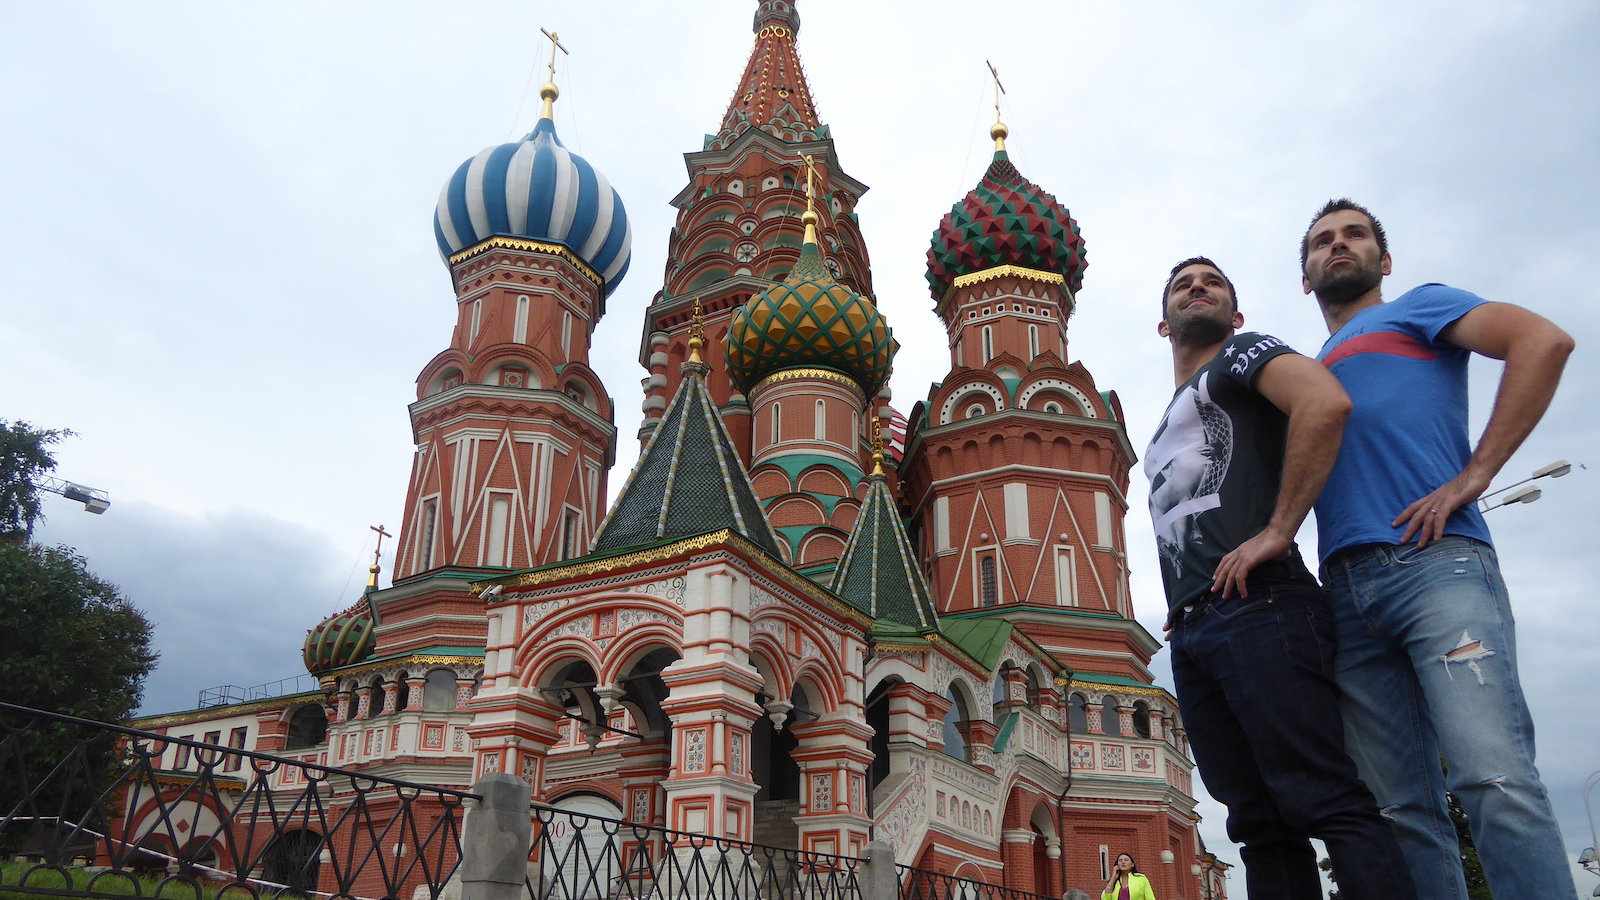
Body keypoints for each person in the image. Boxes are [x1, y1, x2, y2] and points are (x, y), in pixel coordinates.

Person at [1301, 198, 1577, 899]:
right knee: (1399, 811)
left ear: (1383, 260)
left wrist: (1476, 475)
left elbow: (1542, 341)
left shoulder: (1419, 308)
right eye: (1322, 242)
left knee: (1493, 776)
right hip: (1346, 593)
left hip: (1437, 565)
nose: (1338, 246)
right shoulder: (1309, 370)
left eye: (1354, 236)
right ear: (1305, 275)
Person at [1146, 257, 1414, 899]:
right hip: (1197, 627)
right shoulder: (1167, 417)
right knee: (1257, 824)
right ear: (1162, 325)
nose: (1197, 287)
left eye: (1212, 282)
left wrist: (1278, 530)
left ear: (1235, 316)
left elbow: (1323, 400)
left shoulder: (1242, 354)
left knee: (1324, 795)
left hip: (1261, 606)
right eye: (1183, 284)